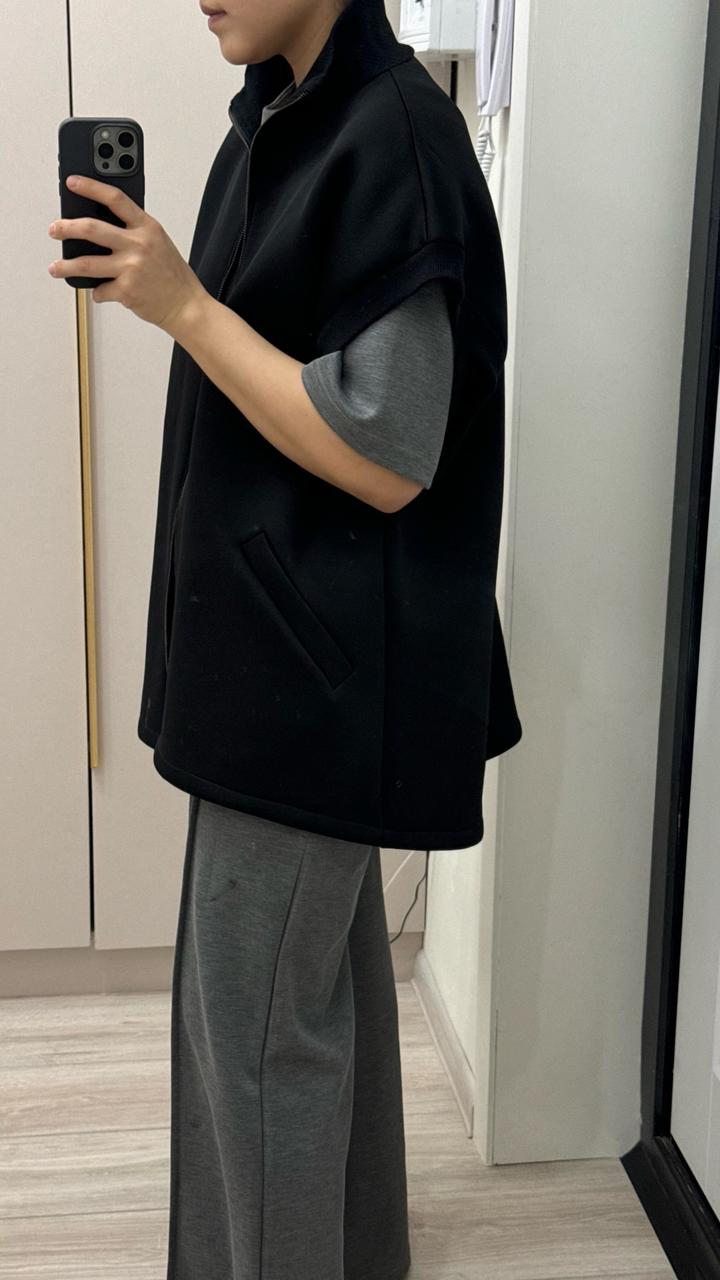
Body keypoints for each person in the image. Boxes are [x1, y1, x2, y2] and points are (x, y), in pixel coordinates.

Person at [132, 0, 523, 1276]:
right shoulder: (284, 122)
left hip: (315, 676)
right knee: (301, 1008)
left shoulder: (393, 136)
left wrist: (187, 308)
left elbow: (388, 450)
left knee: (257, 1041)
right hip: (281, 658)